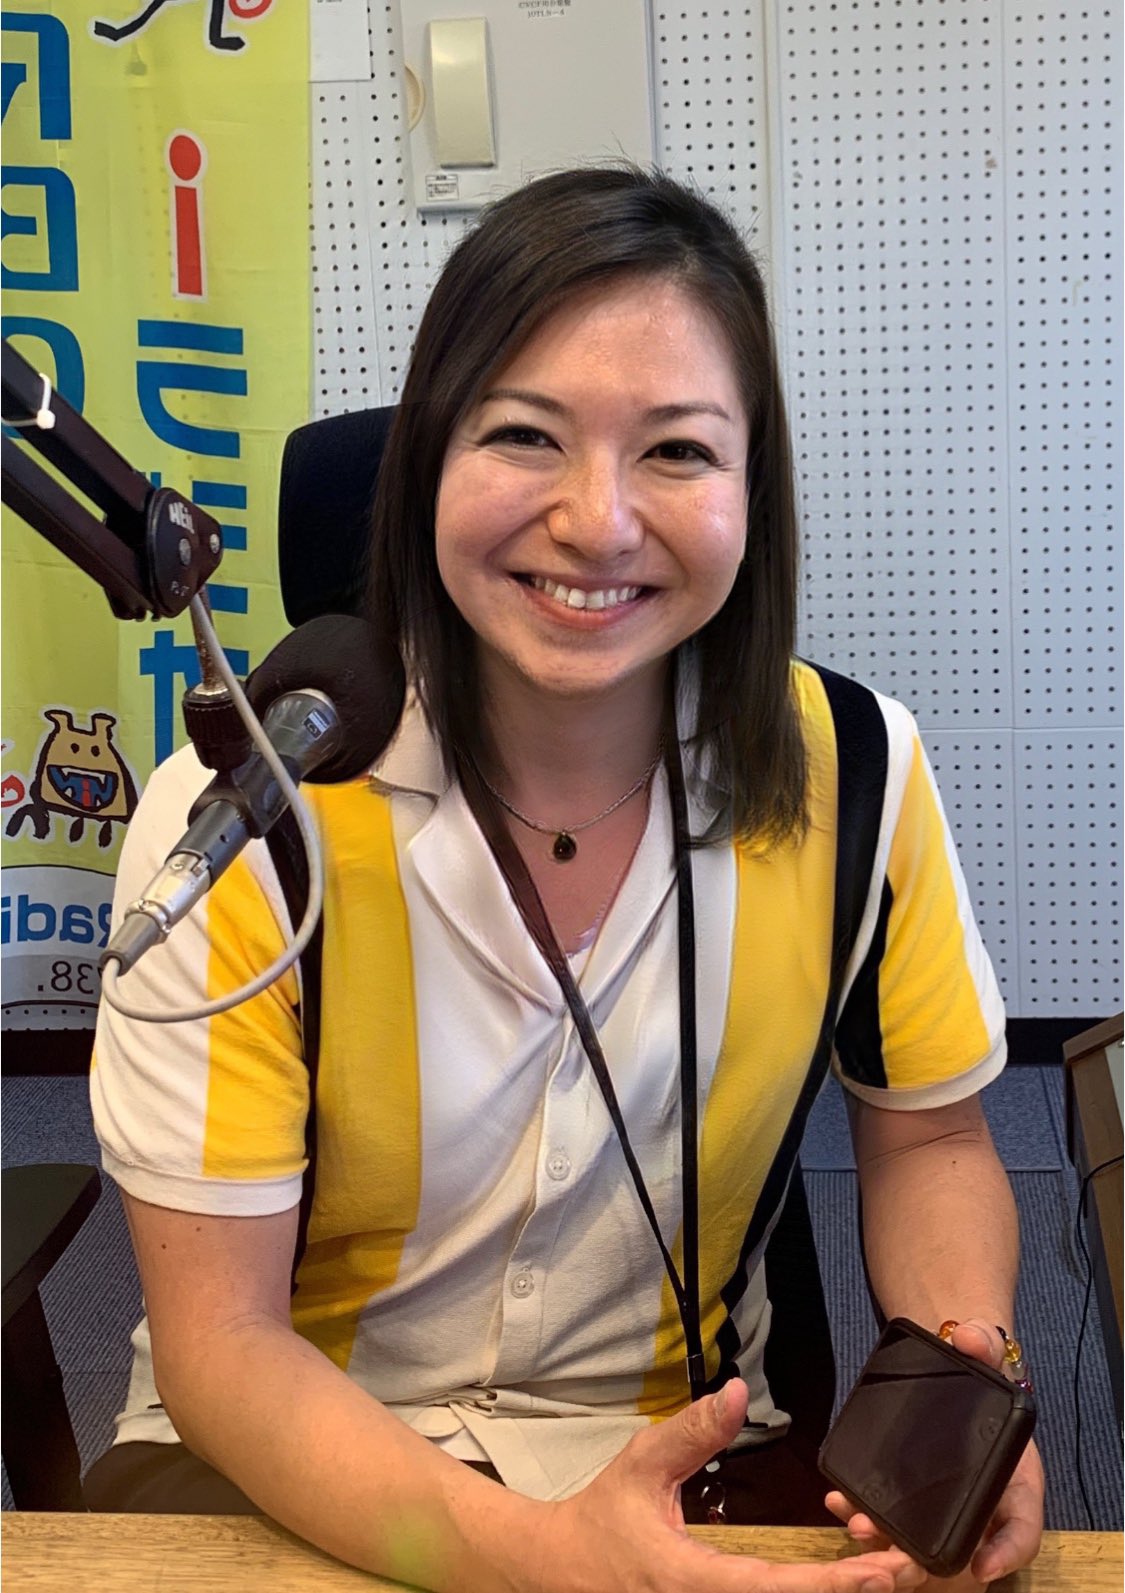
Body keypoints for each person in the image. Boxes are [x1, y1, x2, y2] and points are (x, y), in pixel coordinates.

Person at [87, 166, 1043, 1592]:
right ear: (429, 462)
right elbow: (223, 1344)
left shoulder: (859, 772)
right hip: (284, 1465)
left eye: (676, 451)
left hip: (687, 1460)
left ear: (752, 488)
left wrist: (973, 1378)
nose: (597, 522)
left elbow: (932, 1141)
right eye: (525, 435)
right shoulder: (243, 821)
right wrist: (537, 1557)